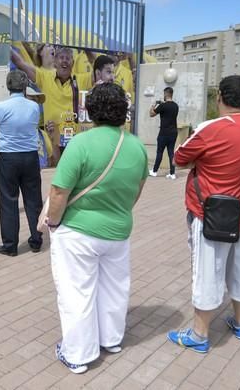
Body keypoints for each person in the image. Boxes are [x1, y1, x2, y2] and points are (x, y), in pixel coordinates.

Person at [44, 83, 148, 374]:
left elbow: (58, 193)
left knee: (77, 291)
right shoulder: (137, 146)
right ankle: (111, 339)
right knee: (114, 288)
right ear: (123, 112)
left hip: (78, 231)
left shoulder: (81, 143)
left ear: (90, 111)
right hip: (118, 231)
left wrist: (53, 223)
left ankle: (77, 353)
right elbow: (136, 191)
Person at [167, 75, 240, 354]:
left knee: (207, 273)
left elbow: (180, 158)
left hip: (211, 216)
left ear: (220, 96)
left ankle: (199, 334)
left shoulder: (212, 129)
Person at [0, 70, 43, 256]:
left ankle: (10, 245)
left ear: (8, 85)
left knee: (8, 201)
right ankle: (36, 239)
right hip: (30, 157)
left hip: (8, 158)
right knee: (33, 200)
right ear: (25, 86)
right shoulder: (34, 107)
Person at [11, 45, 92, 150]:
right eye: (61, 57)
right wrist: (6, 47)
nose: (64, 61)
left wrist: (87, 47)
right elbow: (20, 63)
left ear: (73, 62)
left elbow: (98, 71)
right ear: (55, 61)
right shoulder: (44, 77)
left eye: (68, 58)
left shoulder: (81, 80)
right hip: (52, 141)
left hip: (75, 142)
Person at [25, 85, 60, 168]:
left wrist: (52, 139)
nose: (36, 106)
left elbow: (55, 163)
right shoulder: (14, 133)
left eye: (37, 103)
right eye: (32, 101)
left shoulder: (42, 134)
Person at [149, 87, 180, 179]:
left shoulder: (162, 106)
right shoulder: (176, 106)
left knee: (160, 152)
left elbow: (151, 114)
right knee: (171, 153)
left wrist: (153, 105)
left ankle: (154, 171)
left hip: (164, 133)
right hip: (173, 132)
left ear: (166, 94)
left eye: (164, 94)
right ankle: (172, 173)